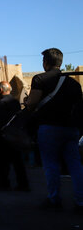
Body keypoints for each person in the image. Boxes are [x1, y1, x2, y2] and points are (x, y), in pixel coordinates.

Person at [26, 48, 83, 211]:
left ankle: (54, 199)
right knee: (75, 165)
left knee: (51, 165)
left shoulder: (40, 79)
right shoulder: (73, 83)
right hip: (71, 128)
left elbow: (31, 104)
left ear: (45, 63)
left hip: (49, 127)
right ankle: (80, 201)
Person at [0, 82, 29, 191]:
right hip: (14, 134)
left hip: (3, 136)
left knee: (2, 162)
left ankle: (3, 183)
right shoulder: (15, 101)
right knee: (18, 161)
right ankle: (23, 184)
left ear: (0, 90)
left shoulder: (2, 102)